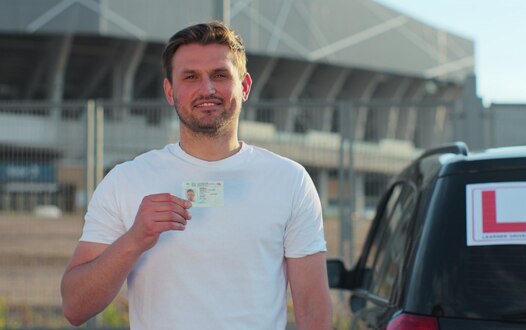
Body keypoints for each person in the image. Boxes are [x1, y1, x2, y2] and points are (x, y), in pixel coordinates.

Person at [60, 20, 332, 330]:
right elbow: (74, 307)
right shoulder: (126, 181)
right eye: (191, 77)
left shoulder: (290, 181)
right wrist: (134, 239)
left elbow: (314, 313)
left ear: (244, 87)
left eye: (219, 75)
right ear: (169, 90)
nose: (207, 89)